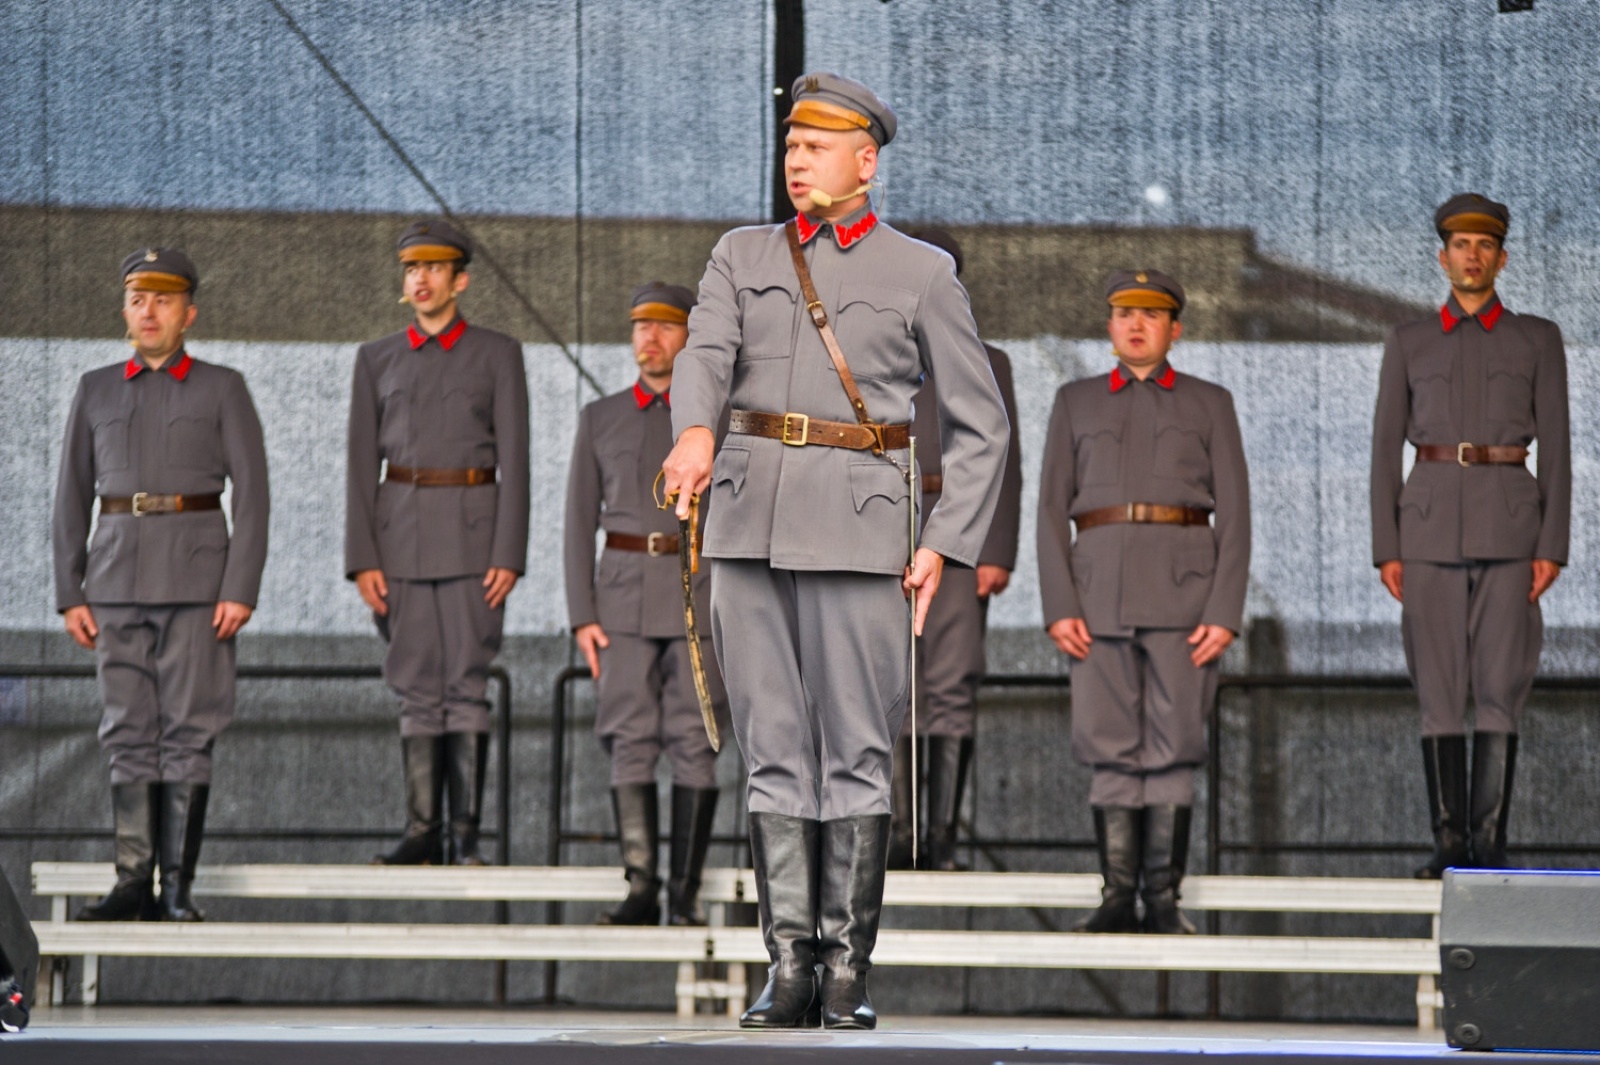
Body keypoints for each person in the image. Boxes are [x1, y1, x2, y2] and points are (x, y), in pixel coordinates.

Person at [661, 72, 1009, 1030]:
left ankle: (849, 971)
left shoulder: (922, 272)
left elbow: (982, 426)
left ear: (867, 160)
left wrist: (945, 540)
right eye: (790, 145)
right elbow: (703, 354)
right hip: (746, 526)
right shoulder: (740, 253)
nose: (797, 158)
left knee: (854, 751)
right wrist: (695, 429)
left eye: (817, 145)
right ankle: (790, 965)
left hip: (861, 531)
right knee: (772, 749)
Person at [54, 248, 270, 922]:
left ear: (188, 313)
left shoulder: (222, 387)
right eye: (138, 297)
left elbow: (255, 495)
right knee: (127, 727)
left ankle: (175, 886)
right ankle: (131, 880)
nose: (149, 310)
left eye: (163, 299)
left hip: (199, 580)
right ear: (125, 310)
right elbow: (70, 494)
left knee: (189, 727)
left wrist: (241, 585)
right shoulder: (95, 389)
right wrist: (70, 588)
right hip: (115, 576)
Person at [1037, 270, 1250, 935]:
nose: (1136, 324)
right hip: (1097, 593)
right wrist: (1058, 603)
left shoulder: (1210, 401)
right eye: (1125, 312)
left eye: (1152, 314)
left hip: (1186, 594)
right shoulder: (1075, 401)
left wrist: (1224, 609)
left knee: (1176, 743)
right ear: (1109, 324)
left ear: (1175, 328)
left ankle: (1162, 897)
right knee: (1109, 744)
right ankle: (1117, 892)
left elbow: (1237, 514)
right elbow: (1048, 510)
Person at [1370, 193, 1569, 879]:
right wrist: (1385, 545)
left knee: (1499, 686)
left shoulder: (1537, 339)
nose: (1473, 255)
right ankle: (1450, 842)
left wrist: (1554, 543)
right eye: (1461, 244)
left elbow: (1561, 451)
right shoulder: (1409, 341)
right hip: (1425, 528)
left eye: (1485, 245)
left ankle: (1490, 841)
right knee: (1438, 688)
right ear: (1443, 256)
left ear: (1502, 257)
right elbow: (1382, 449)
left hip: (1513, 526)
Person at [346, 220, 530, 866]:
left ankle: (464, 835)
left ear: (461, 279)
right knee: (417, 684)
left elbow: (517, 459)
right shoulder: (376, 359)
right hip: (399, 538)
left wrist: (509, 551)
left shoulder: (497, 353)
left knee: (466, 683)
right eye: (411, 269)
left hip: (476, 536)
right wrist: (362, 557)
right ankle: (423, 831)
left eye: (433, 268)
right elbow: (359, 463)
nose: (419, 279)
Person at [563, 281, 731, 926]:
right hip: (624, 596)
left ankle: (684, 894)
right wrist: (582, 613)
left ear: (689, 337)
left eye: (664, 326)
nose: (649, 338)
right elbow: (578, 522)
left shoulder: (714, 417)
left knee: (696, 739)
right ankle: (641, 888)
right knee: (629, 738)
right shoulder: (599, 417)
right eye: (640, 326)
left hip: (699, 591)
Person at [888, 228, 1024, 871]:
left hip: (957, 528)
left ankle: (939, 838)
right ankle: (894, 833)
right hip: (880, 524)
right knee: (886, 680)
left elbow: (1005, 461)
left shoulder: (986, 359)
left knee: (950, 681)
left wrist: (995, 548)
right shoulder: (868, 353)